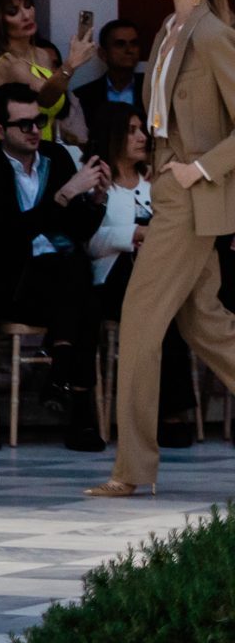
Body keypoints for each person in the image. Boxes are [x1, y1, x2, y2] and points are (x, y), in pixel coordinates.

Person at [91, 0, 235, 495]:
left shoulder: (213, 35)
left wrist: (197, 169)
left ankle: (131, 471)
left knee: (139, 326)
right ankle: (132, 469)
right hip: (171, 192)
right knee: (208, 327)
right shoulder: (170, 30)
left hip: (191, 198)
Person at [0, 81, 108, 451]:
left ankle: (62, 375)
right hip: (15, 283)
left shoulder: (55, 158)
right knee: (78, 286)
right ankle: (79, 412)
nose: (35, 130)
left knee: (77, 283)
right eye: (25, 124)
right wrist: (64, 195)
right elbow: (5, 240)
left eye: (40, 121)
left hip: (61, 284)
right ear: (0, 130)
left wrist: (96, 200)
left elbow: (77, 229)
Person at [86, 110, 198, 449]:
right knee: (158, 308)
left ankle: (170, 412)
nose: (141, 137)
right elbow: (89, 241)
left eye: (141, 130)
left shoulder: (156, 183)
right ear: (113, 136)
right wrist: (135, 233)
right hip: (113, 278)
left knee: (169, 312)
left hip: (159, 273)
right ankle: (167, 415)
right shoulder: (96, 182)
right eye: (131, 130)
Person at [0, 0, 95, 147]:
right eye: (13, 12)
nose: (26, 15)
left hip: (42, 150)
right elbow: (45, 99)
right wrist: (71, 64)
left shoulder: (42, 55)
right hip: (14, 153)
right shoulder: (8, 64)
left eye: (28, 6)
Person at [78, 19, 147, 117]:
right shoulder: (84, 96)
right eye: (120, 44)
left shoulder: (152, 88)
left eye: (134, 43)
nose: (129, 50)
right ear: (103, 54)